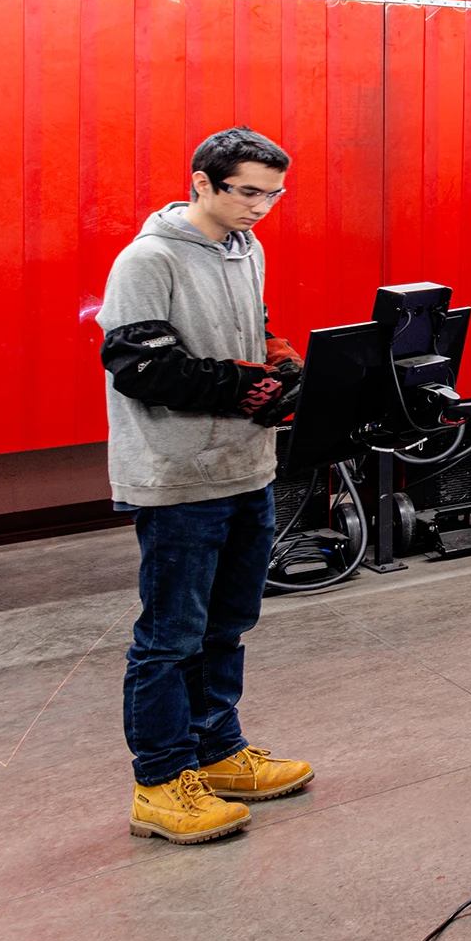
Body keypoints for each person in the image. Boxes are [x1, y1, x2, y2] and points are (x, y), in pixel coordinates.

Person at [100, 127, 315, 844]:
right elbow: (140, 366)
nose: (262, 207)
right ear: (203, 180)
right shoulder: (147, 258)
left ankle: (217, 752)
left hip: (245, 466)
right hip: (178, 473)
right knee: (171, 637)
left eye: (273, 194)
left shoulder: (246, 248)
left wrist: (276, 360)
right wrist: (241, 382)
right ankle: (160, 782)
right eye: (247, 191)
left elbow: (247, 331)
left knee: (227, 624)